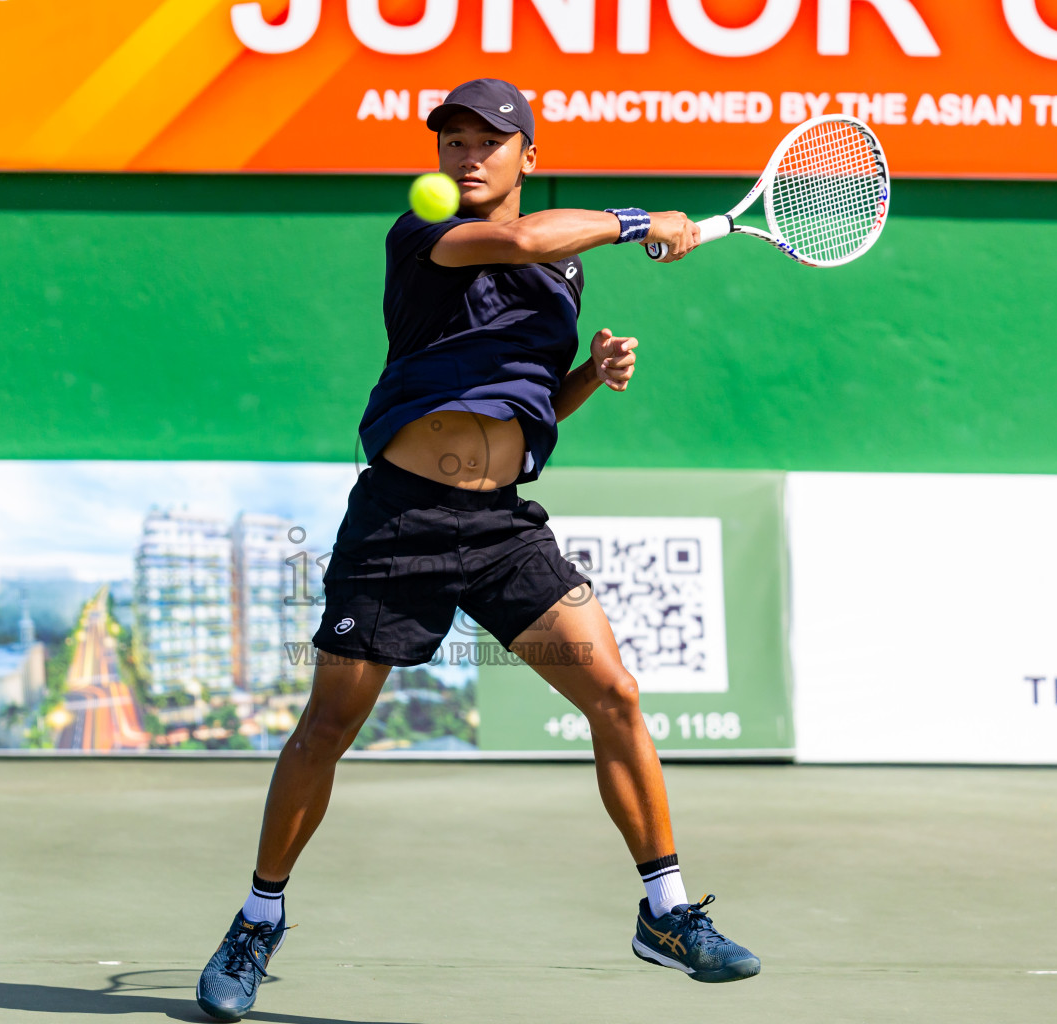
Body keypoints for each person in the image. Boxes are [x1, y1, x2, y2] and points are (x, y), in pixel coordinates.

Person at [196, 77, 759, 1022]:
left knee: (614, 695)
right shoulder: (424, 236)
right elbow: (524, 237)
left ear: (527, 158)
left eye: (487, 141)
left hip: (502, 529)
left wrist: (590, 374)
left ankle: (665, 911)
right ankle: (258, 917)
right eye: (452, 140)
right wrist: (641, 218)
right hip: (400, 522)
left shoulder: (564, 276)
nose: (466, 155)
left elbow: (530, 397)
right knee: (329, 724)